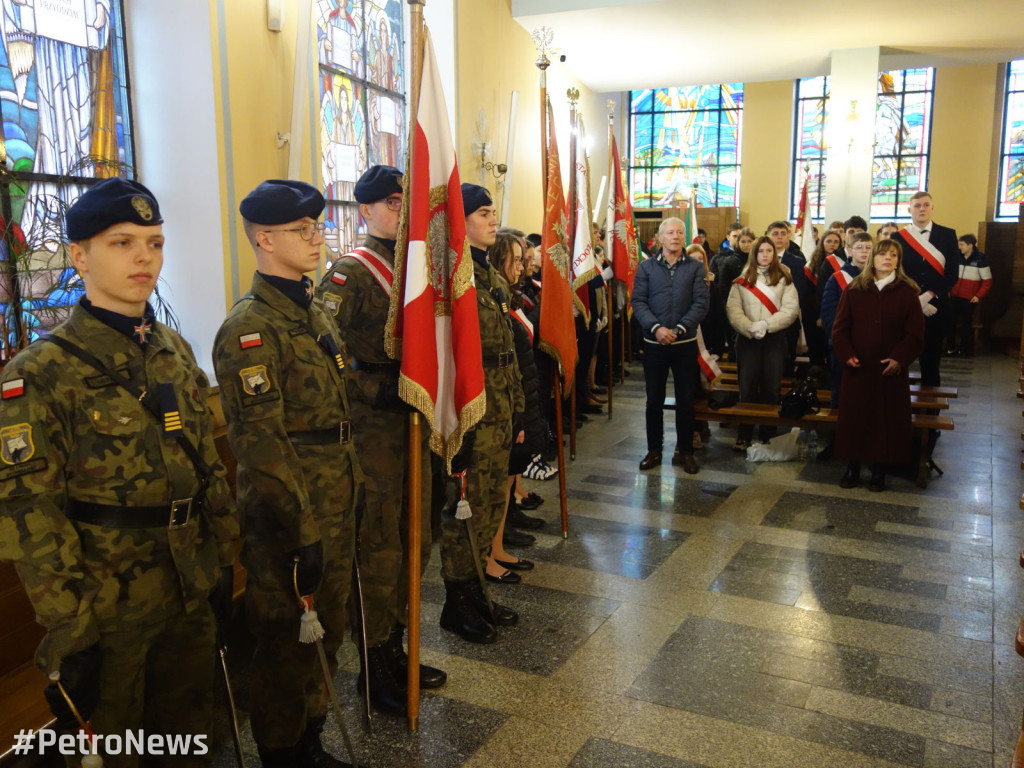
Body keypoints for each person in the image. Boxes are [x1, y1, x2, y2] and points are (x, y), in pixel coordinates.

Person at [0, 178, 239, 767]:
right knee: (117, 749)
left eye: (155, 243)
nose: (144, 257)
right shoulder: (40, 373)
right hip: (108, 603)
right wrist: (69, 631)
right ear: (78, 255)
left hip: (187, 582)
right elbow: (31, 515)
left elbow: (206, 464)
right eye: (121, 242)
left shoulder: (174, 350)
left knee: (189, 739)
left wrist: (225, 563)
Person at [213, 179, 359, 767]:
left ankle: (311, 736)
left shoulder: (313, 308)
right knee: (283, 637)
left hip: (336, 493)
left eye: (317, 226)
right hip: (289, 511)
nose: (316, 236)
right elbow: (261, 444)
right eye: (302, 229)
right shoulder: (250, 329)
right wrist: (301, 528)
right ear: (265, 238)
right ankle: (281, 749)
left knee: (330, 625)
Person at [316, 164, 445, 717]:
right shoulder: (351, 273)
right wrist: (377, 389)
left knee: (415, 541)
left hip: (412, 427)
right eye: (391, 203)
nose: (400, 211)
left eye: (405, 202)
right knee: (379, 551)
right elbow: (325, 353)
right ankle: (373, 666)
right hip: (373, 438)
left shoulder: (416, 268)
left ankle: (397, 650)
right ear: (364, 210)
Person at [438, 184, 524, 644]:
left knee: (491, 501)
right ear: (462, 220)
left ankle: (478, 592)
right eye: (483, 213)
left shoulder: (490, 278)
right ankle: (458, 601)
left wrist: (520, 409)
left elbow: (504, 351)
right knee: (464, 509)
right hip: (471, 411)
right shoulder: (453, 277)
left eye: (494, 212)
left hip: (499, 405)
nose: (494, 220)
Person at [832, 238, 924, 491]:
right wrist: (847, 354)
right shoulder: (855, 289)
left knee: (886, 421)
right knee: (856, 418)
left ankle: (879, 470)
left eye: (893, 255)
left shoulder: (907, 292)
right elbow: (840, 329)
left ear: (898, 261)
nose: (888, 259)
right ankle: (852, 467)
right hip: (859, 367)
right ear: (872, 258)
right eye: (883, 254)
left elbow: (915, 334)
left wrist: (899, 358)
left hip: (889, 369)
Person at [485, 232, 546, 583]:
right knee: (495, 487)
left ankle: (498, 547)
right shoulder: (498, 297)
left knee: (507, 481)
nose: (523, 265)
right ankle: (491, 551)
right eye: (517, 259)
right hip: (505, 402)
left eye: (524, 259)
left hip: (521, 396)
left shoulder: (513, 297)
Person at [630, 217, 709, 474]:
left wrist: (679, 329)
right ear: (660, 238)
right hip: (654, 344)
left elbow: (701, 303)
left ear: (684, 237)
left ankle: (685, 452)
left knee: (686, 401)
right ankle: (654, 451)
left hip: (684, 344)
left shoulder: (696, 267)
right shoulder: (646, 268)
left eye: (679, 232)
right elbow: (638, 302)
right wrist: (657, 329)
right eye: (670, 233)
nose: (675, 236)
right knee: (654, 400)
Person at [726, 235, 798, 450]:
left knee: (771, 388)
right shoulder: (742, 280)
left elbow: (790, 309)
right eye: (760, 251)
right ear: (754, 254)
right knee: (746, 388)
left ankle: (768, 434)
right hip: (747, 339)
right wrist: (748, 327)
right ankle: (744, 434)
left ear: (774, 254)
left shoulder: (785, 278)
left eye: (769, 251)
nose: (765, 255)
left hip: (774, 338)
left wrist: (766, 324)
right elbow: (733, 309)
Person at [821, 231, 874, 406]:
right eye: (859, 247)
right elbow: (830, 317)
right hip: (844, 347)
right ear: (849, 251)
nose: (864, 251)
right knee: (842, 393)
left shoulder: (880, 278)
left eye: (868, 247)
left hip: (873, 348)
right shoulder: (837, 279)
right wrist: (843, 344)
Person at [710, 226, 751, 359]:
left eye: (750, 241)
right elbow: (723, 287)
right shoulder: (728, 262)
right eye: (743, 241)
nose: (746, 245)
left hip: (753, 306)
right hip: (734, 304)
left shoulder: (757, 260)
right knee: (735, 340)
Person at [947, 234, 991, 357]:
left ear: (970, 245)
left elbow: (987, 280)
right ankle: (950, 347)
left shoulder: (980, 258)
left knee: (967, 325)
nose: (959, 247)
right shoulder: (956, 256)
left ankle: (964, 349)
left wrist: (978, 296)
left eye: (961, 245)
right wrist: (949, 291)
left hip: (970, 298)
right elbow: (950, 274)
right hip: (954, 296)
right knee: (951, 322)